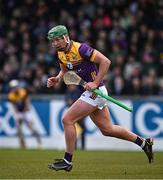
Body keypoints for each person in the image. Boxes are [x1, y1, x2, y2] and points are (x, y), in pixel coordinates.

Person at [47, 25, 154, 172]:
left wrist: (95, 82)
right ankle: (143, 143)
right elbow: (65, 69)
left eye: (56, 40)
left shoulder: (81, 49)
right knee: (107, 129)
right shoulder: (60, 53)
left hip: (96, 92)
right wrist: (57, 78)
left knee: (67, 119)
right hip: (92, 93)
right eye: (52, 41)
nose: (54, 43)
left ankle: (67, 160)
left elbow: (106, 62)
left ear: (66, 37)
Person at [8, 80, 41, 149]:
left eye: (15, 87)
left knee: (31, 127)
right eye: (13, 87)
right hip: (19, 112)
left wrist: (26, 108)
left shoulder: (22, 92)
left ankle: (39, 141)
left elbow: (27, 101)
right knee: (18, 128)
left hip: (26, 111)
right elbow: (13, 105)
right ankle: (22, 145)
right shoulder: (11, 95)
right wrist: (16, 112)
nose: (15, 88)